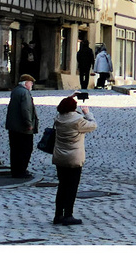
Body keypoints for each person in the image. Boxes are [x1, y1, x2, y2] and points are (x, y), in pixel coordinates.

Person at [51, 95, 97, 226]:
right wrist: (88, 114)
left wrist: (70, 97)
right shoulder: (78, 120)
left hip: (60, 157)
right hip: (73, 158)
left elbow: (64, 108)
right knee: (72, 187)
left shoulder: (58, 118)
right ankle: (68, 215)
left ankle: (58, 214)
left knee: (62, 186)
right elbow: (93, 125)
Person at [5, 74, 38, 178]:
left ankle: (15, 170)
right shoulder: (25, 93)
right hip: (22, 128)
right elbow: (26, 109)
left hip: (13, 126)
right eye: (31, 83)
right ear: (26, 83)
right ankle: (21, 171)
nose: (31, 85)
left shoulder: (15, 91)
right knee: (25, 149)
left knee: (15, 149)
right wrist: (29, 123)